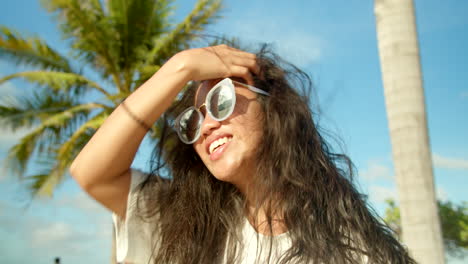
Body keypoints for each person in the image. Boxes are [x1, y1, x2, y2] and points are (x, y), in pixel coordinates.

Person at [70, 44, 416, 263]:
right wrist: (179, 68)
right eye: (192, 121)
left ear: (273, 108)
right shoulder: (185, 223)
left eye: (220, 101)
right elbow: (90, 174)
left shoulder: (350, 248)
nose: (204, 128)